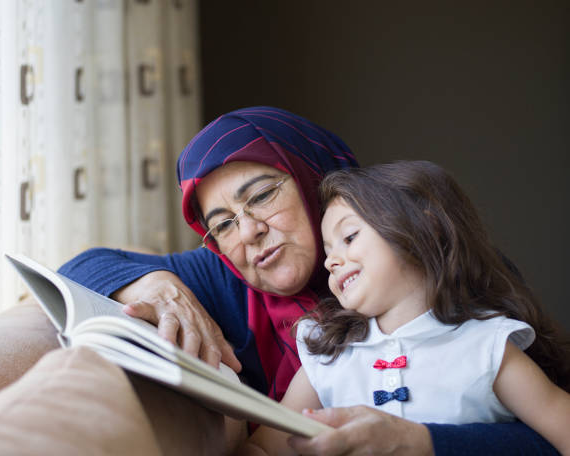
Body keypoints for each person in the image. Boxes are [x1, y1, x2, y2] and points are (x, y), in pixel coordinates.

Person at [58, 107, 559, 455]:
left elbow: (549, 436)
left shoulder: (449, 275)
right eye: (223, 223)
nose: (249, 232)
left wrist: (421, 444)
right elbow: (82, 268)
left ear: (313, 180)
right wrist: (155, 287)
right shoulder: (226, 278)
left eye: (260, 197)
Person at [237, 162, 570, 456]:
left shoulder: (488, 345)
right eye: (328, 250)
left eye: (350, 237)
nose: (331, 261)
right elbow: (267, 445)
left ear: (427, 228)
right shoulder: (328, 353)